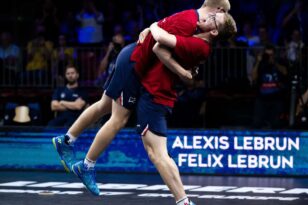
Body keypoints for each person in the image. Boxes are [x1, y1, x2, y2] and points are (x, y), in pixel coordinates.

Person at [52, 0, 233, 202]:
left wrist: (153, 28)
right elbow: (159, 43)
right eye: (220, 13)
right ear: (218, 8)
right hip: (135, 63)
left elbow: (166, 34)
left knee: (104, 106)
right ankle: (86, 165)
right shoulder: (190, 22)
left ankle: (66, 140)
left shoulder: (193, 23)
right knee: (119, 119)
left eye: (217, 18)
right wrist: (153, 28)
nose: (213, 17)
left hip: (134, 58)